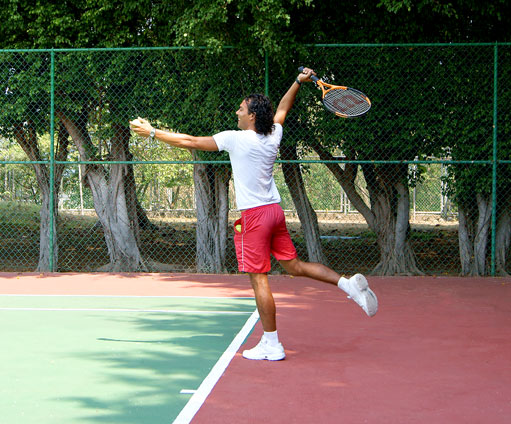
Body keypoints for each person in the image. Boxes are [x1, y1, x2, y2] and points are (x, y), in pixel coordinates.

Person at [129, 67, 378, 361]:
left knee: (259, 280)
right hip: (274, 212)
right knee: (294, 266)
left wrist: (153, 133)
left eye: (242, 108)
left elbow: (192, 142)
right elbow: (284, 108)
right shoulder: (273, 133)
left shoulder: (237, 139)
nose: (237, 110)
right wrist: (298, 82)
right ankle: (346, 283)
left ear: (251, 117)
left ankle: (272, 344)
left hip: (255, 218)